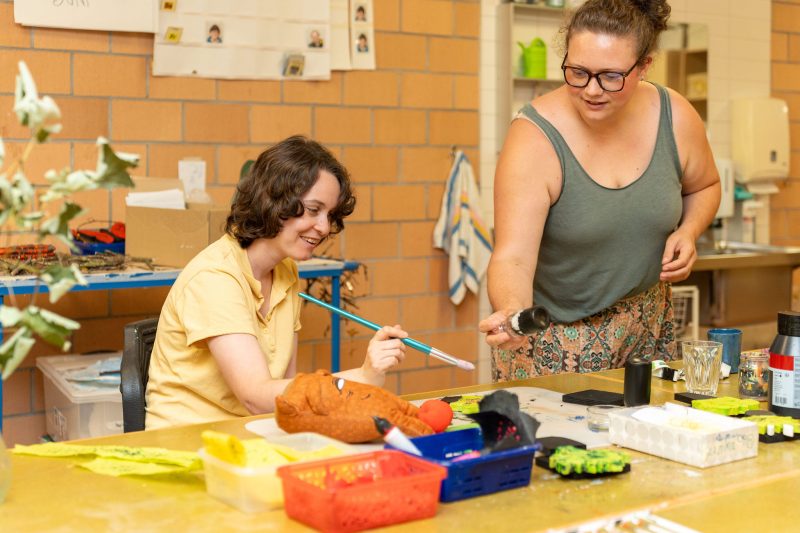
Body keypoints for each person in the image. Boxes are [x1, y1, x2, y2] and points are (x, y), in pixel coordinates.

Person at [479, 0, 720, 381]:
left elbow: (705, 185)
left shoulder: (675, 116)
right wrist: (513, 313)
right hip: (554, 341)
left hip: (648, 331)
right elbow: (512, 258)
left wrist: (689, 230)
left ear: (644, 66)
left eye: (610, 76)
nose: (591, 90)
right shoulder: (534, 138)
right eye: (577, 72)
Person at [146, 136, 409, 429]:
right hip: (189, 443)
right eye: (312, 210)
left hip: (252, 433)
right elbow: (256, 396)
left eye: (329, 214)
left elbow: (286, 390)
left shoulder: (286, 271)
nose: (323, 227)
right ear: (273, 201)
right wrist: (362, 377)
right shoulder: (215, 277)